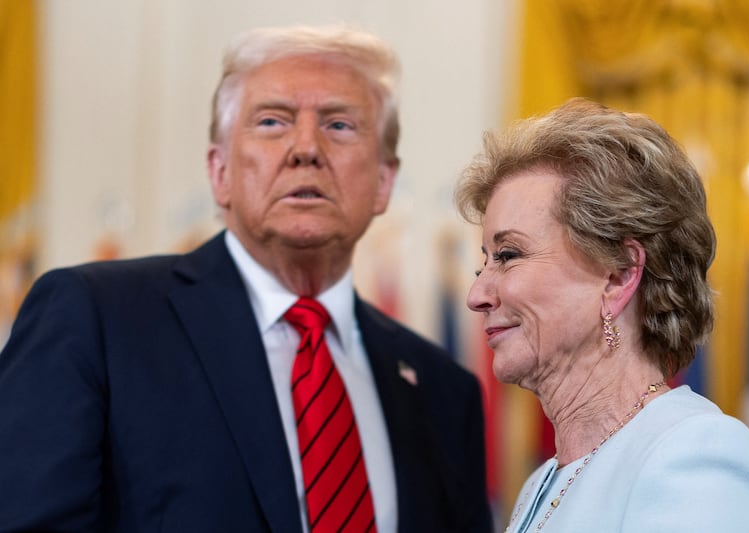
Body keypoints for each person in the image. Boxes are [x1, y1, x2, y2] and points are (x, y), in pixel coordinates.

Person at [0, 25, 492, 532]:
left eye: (340, 125)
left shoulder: (445, 392)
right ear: (219, 172)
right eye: (272, 121)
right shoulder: (97, 322)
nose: (306, 147)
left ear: (384, 181)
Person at [455, 98, 749, 532]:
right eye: (482, 264)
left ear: (619, 276)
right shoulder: (541, 484)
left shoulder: (696, 455)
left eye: (508, 255)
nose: (477, 295)